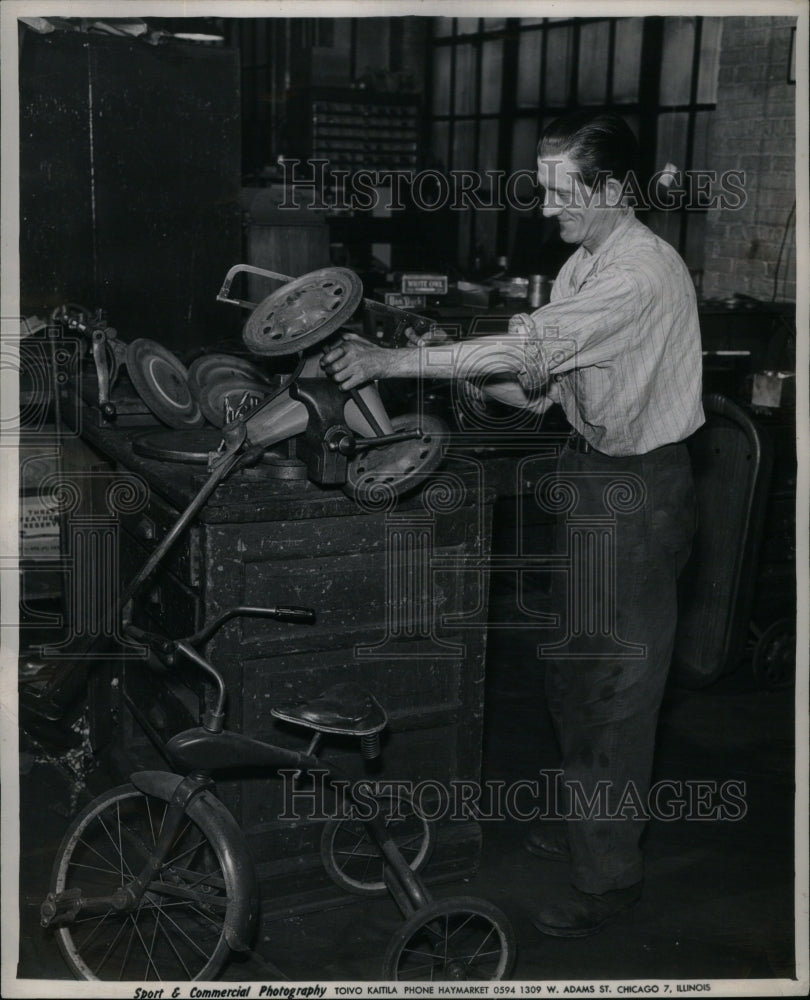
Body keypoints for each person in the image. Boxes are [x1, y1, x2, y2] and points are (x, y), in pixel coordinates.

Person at [321, 110, 704, 937]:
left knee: (617, 688)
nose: (545, 208)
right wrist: (443, 355)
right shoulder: (582, 267)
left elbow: (522, 353)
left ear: (610, 189)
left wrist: (397, 362)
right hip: (592, 473)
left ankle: (609, 879)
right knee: (574, 671)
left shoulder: (636, 276)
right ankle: (587, 824)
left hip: (641, 488)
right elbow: (534, 389)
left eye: (562, 192)